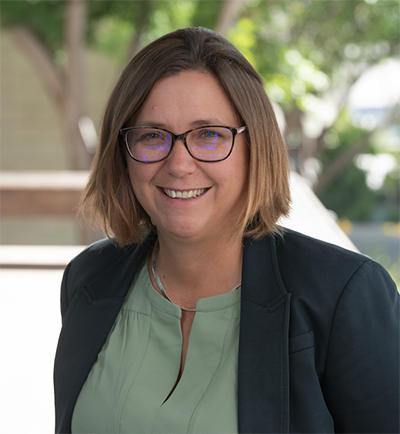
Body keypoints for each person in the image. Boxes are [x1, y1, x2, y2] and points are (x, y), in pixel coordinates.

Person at [54, 27, 400, 434]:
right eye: (152, 136)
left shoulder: (346, 296)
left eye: (210, 135)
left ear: (256, 147)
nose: (179, 164)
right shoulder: (89, 279)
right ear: (123, 154)